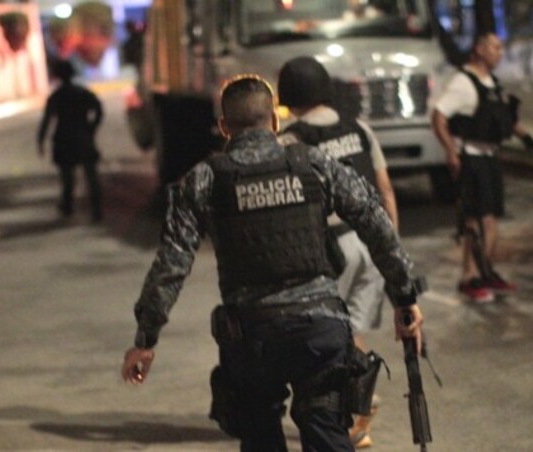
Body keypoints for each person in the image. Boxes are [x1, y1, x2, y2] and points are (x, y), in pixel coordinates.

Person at [121, 74, 425, 452]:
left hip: (252, 338)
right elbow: (376, 224)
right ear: (275, 122)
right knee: (326, 429)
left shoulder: (204, 180)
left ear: (223, 127)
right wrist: (405, 297)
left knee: (260, 432)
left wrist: (145, 340)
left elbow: (171, 263)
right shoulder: (315, 165)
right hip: (320, 330)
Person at [277, 56, 396, 449]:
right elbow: (385, 188)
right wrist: (390, 246)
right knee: (353, 331)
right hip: (370, 241)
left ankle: (341, 419)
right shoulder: (360, 129)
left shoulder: (291, 141)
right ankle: (359, 415)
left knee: (326, 339)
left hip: (330, 248)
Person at [431, 32, 533, 303]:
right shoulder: (463, 82)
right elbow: (438, 116)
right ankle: (470, 277)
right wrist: (450, 151)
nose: (500, 52)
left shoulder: (492, 84)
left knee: (490, 222)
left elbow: (505, 120)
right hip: (472, 157)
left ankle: (485, 271)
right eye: (495, 47)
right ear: (479, 49)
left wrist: (531, 143)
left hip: (491, 158)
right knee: (477, 223)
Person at [37, 59, 104, 222]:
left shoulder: (56, 96)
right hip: (83, 138)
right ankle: (96, 211)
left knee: (67, 178)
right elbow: (99, 110)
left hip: (64, 140)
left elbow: (46, 121)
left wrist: (40, 141)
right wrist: (92, 128)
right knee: (91, 177)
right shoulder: (83, 92)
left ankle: (67, 207)